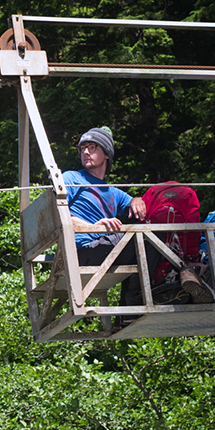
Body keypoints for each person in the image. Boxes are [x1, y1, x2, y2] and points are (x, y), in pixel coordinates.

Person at [62, 127, 152, 306]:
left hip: (105, 249)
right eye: (82, 148)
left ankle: (131, 306)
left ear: (106, 154)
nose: (86, 151)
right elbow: (57, 215)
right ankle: (133, 302)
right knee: (137, 239)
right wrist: (93, 226)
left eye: (93, 146)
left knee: (151, 241)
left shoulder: (113, 193)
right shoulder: (71, 178)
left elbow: (138, 206)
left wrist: (136, 199)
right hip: (82, 250)